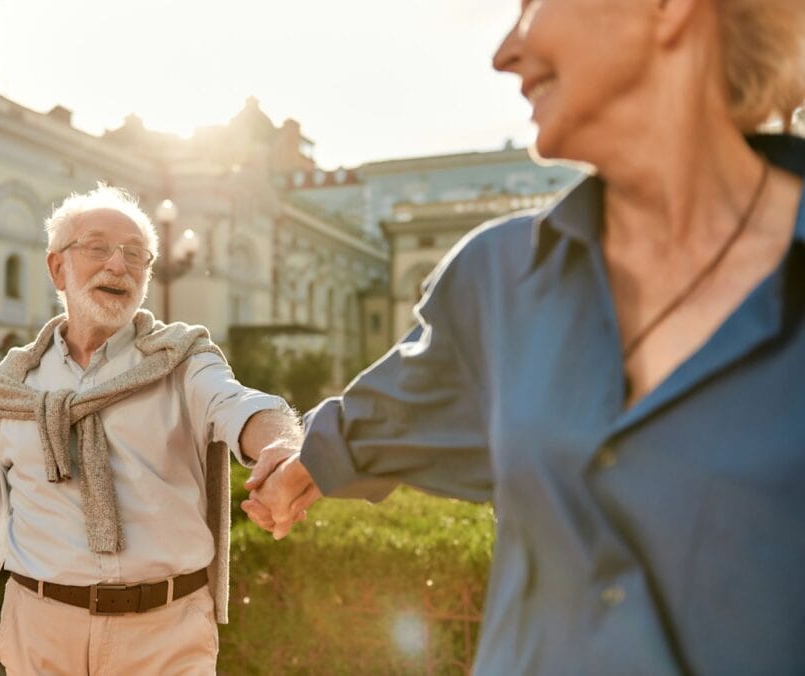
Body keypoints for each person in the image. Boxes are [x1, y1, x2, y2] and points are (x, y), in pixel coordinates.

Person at [242, 0, 805, 672]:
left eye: (533, 4)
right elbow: (394, 416)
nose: (505, 52)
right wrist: (300, 462)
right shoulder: (498, 277)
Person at [0, 184, 300, 675]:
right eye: (97, 247)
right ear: (58, 267)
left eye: (135, 254)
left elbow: (240, 405)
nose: (118, 265)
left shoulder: (182, 360)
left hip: (166, 639)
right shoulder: (16, 385)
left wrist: (282, 447)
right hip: (39, 637)